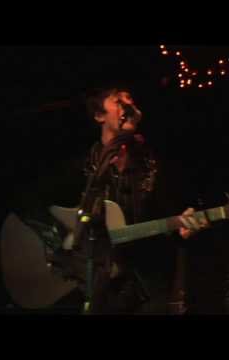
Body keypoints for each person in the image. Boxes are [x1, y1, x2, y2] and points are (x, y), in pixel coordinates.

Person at [70, 86, 207, 314]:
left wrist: (185, 224)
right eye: (118, 100)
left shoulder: (155, 162)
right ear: (99, 115)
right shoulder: (83, 167)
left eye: (129, 99)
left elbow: (176, 212)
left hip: (150, 277)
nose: (127, 104)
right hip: (100, 279)